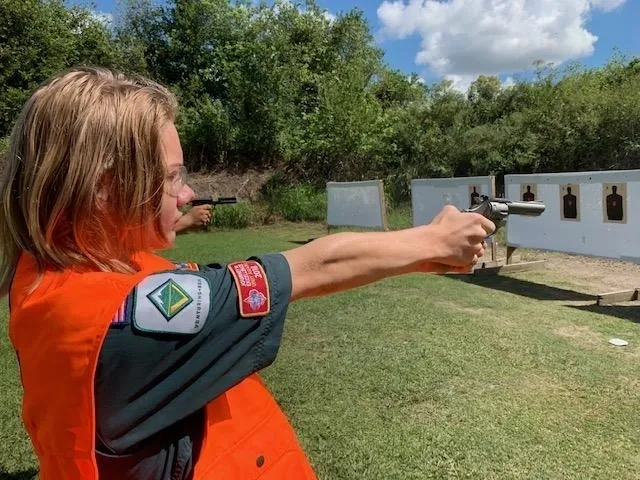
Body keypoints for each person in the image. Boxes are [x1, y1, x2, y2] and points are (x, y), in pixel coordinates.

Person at [0, 67, 494, 480]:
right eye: (172, 176)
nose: (187, 192)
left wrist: (427, 256)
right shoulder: (116, 321)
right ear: (105, 189)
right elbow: (313, 266)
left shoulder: (64, 272)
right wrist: (433, 241)